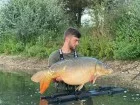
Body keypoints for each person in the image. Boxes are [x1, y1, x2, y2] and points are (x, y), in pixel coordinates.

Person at [48, 27, 81, 92]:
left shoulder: (80, 56)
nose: (77, 43)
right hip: (61, 91)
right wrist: (67, 77)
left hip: (79, 90)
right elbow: (52, 78)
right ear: (67, 39)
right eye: (76, 40)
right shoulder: (54, 56)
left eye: (78, 41)